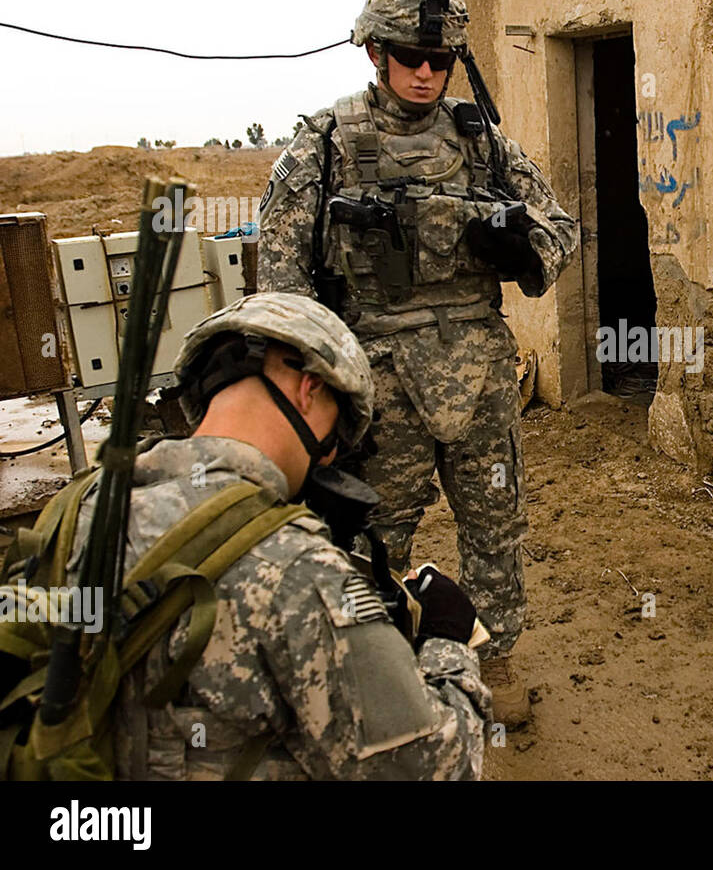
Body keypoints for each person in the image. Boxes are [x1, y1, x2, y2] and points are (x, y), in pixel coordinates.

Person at [256, 0, 578, 726]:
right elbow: (280, 286)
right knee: (375, 541)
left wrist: (517, 244)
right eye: (411, 55)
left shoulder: (484, 144)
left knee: (496, 527)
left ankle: (493, 662)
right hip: (377, 386)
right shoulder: (326, 146)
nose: (427, 72)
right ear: (374, 51)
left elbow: (561, 229)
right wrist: (317, 398)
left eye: (441, 58)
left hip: (482, 379)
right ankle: (385, 681)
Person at [67, 293, 489, 779]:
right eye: (335, 438)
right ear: (308, 389)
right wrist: (446, 638)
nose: (327, 459)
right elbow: (436, 768)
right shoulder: (297, 569)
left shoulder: (86, 507)